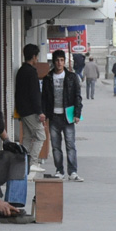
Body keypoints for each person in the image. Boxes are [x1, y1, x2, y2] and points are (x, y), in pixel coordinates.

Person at [41, 49, 84, 182]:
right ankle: (59, 170)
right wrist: (43, 113)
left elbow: (78, 97)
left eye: (62, 60)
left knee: (70, 145)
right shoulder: (48, 78)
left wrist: (77, 114)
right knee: (55, 146)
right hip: (53, 116)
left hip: (68, 116)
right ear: (53, 62)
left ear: (64, 61)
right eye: (57, 60)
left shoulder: (71, 77)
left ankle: (73, 172)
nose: (59, 63)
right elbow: (44, 98)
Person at [14, 44, 46, 173]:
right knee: (40, 136)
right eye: (37, 57)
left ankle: (22, 163)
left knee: (27, 137)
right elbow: (35, 94)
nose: (37, 59)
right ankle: (32, 162)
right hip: (31, 111)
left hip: (22, 110)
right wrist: (40, 112)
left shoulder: (21, 70)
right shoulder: (31, 72)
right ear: (34, 57)